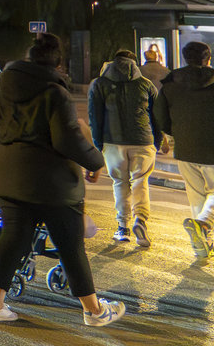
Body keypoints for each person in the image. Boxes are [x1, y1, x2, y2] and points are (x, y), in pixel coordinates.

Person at [0, 32, 124, 326]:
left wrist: (11, 142)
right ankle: (94, 311)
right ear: (58, 64)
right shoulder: (56, 93)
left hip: (9, 177)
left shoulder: (3, 84)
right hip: (52, 183)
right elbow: (68, 140)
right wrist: (95, 161)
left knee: (13, 238)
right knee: (69, 243)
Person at [87, 48, 161, 247]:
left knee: (120, 183)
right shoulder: (146, 85)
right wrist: (158, 141)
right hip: (143, 141)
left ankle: (123, 227)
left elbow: (95, 117)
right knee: (140, 182)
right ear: (135, 64)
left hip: (113, 142)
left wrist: (98, 144)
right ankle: (141, 220)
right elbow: (157, 116)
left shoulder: (100, 84)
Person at [153, 40, 214, 258]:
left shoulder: (171, 83)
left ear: (185, 57)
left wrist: (174, 133)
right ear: (207, 58)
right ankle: (204, 225)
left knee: (197, 196)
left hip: (185, 149)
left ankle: (201, 245)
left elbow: (159, 115)